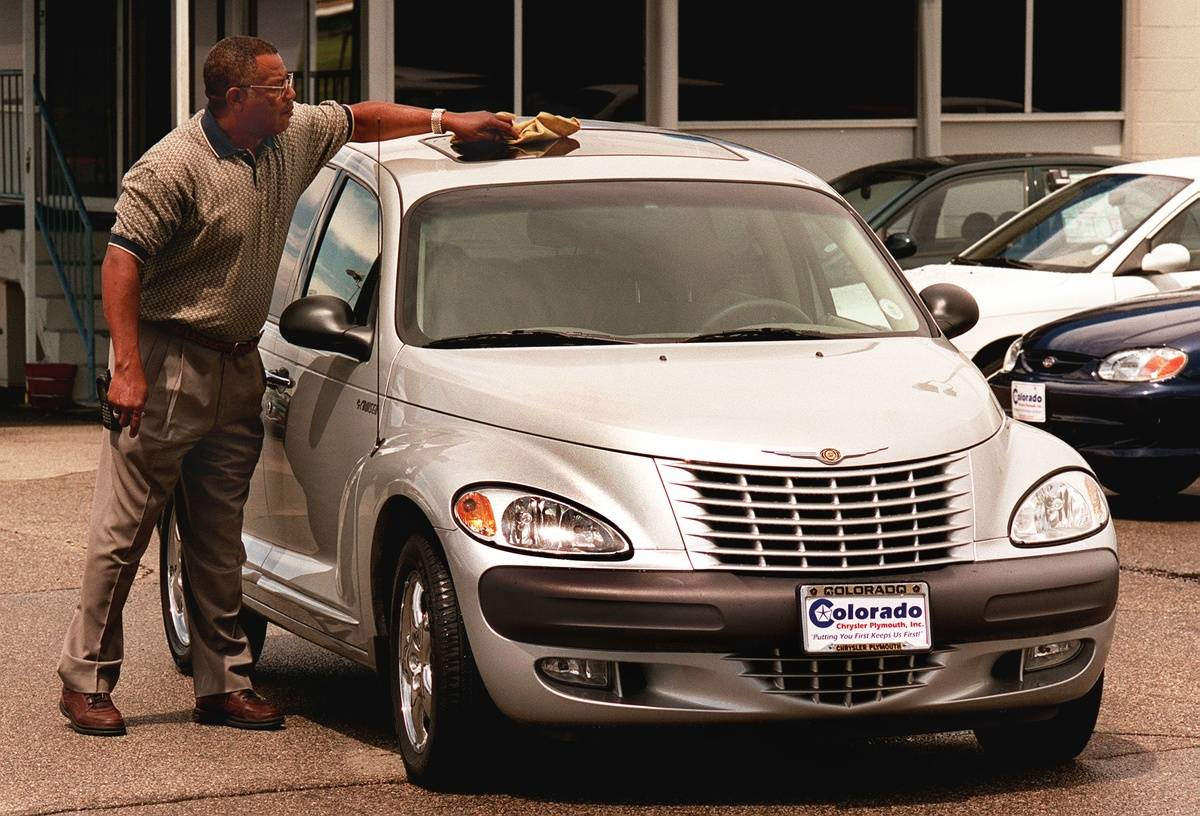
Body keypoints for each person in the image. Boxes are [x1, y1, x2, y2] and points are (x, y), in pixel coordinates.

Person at [56, 35, 518, 737]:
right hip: (167, 361)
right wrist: (126, 367)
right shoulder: (172, 167)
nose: (293, 95)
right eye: (279, 87)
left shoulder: (287, 138)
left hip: (238, 365)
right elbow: (121, 262)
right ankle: (85, 682)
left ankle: (222, 686)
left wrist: (449, 122)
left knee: (218, 541)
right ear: (236, 98)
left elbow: (361, 118)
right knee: (122, 538)